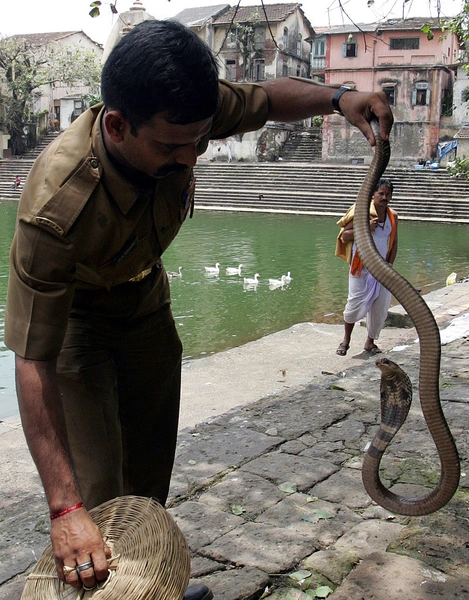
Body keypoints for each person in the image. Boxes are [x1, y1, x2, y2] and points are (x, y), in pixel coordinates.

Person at [4, 19, 393, 600]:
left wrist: (341, 98)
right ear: (116, 125)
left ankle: (149, 586)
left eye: (199, 141)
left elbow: (265, 101)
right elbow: (33, 359)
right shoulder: (57, 206)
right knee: (100, 493)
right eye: (170, 146)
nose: (189, 158)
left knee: (150, 473)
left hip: (146, 304)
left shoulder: (186, 111)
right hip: (77, 326)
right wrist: (63, 509)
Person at [335, 178, 398, 356]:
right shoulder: (361, 212)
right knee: (354, 303)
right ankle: (346, 341)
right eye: (381, 193)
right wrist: (365, 228)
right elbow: (345, 236)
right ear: (373, 195)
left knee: (381, 305)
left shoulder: (393, 216)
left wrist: (390, 265)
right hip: (361, 267)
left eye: (387, 194)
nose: (384, 197)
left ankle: (369, 342)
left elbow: (393, 243)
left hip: (382, 269)